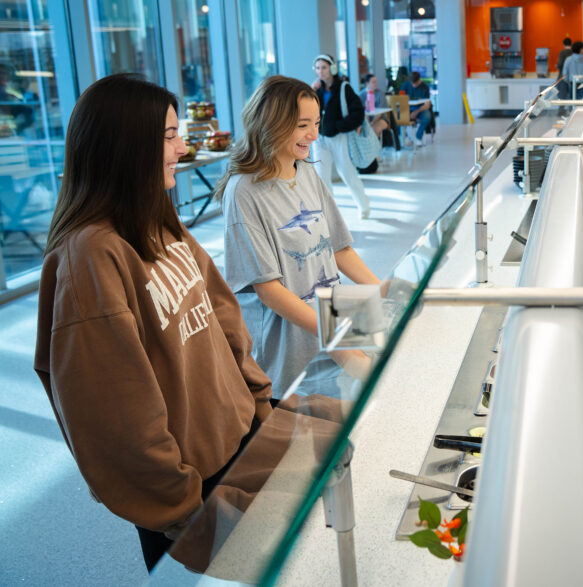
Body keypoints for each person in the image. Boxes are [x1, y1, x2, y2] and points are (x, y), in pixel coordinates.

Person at [34, 73, 274, 571]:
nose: (182, 147)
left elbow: (222, 314)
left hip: (238, 442)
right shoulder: (89, 257)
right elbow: (115, 416)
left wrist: (257, 403)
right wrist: (181, 509)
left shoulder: (155, 216)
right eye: (168, 136)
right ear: (125, 146)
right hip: (187, 491)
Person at [216, 75, 379, 401]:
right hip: (290, 359)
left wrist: (382, 299)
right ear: (272, 122)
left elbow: (340, 249)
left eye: (316, 123)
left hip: (330, 330)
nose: (314, 134)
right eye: (302, 124)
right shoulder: (243, 192)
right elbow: (269, 290)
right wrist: (342, 348)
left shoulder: (305, 170)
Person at [310, 54, 371, 219]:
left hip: (339, 137)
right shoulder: (317, 90)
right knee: (322, 178)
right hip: (320, 138)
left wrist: (339, 126)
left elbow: (358, 113)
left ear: (332, 68)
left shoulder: (344, 88)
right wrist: (312, 92)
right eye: (317, 68)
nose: (320, 72)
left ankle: (364, 205)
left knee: (347, 173)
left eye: (324, 67)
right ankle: (330, 214)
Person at [402, 71, 432, 147]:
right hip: (407, 108)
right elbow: (400, 100)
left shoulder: (424, 87)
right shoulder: (405, 85)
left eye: (416, 83)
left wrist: (416, 112)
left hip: (421, 109)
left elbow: (427, 104)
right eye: (412, 83)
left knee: (427, 116)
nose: (414, 85)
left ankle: (418, 137)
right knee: (399, 116)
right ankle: (406, 137)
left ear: (419, 80)